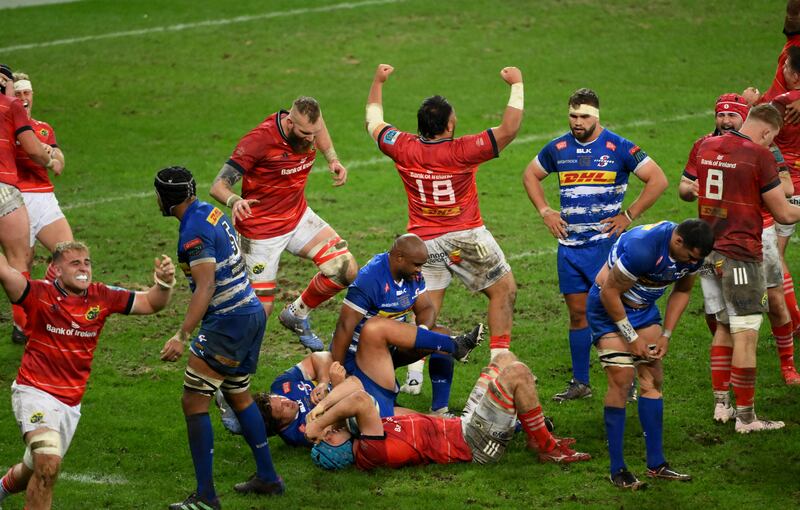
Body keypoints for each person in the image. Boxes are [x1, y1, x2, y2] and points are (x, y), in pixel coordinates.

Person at [365, 63, 522, 368]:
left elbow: (373, 121)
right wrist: (517, 84)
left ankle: (412, 376)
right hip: (465, 237)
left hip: (423, 244)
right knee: (503, 289)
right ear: (449, 126)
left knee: (427, 312)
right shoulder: (463, 150)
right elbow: (510, 128)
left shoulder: (402, 146)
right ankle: (500, 362)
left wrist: (378, 81)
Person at [0, 241, 175, 509]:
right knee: (48, 463)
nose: (83, 269)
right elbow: (6, 273)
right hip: (35, 392)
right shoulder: (38, 294)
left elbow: (152, 303)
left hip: (70, 404)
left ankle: (1, 489)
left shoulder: (102, 296)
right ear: (56, 270)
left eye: (87, 262)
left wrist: (164, 283)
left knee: (35, 467)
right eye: (75, 263)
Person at [523, 88, 668, 402]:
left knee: (618, 310)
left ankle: (627, 378)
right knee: (577, 314)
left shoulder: (618, 147)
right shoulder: (558, 147)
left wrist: (629, 215)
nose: (577, 122)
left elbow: (658, 179)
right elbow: (530, 175)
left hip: (606, 247)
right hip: (570, 247)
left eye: (584, 116)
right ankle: (581, 383)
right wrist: (546, 211)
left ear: (597, 116)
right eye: (573, 115)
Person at [155, 166, 283, 510]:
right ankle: (268, 478)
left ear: (165, 199)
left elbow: (207, 285)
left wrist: (182, 335)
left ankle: (206, 497)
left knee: (194, 402)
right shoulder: (209, 212)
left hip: (228, 322)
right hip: (250, 311)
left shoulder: (192, 232)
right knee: (238, 394)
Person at [209, 96, 357, 351]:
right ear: (290, 122)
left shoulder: (310, 130)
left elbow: (318, 130)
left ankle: (296, 314)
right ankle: (229, 373)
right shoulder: (259, 140)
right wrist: (234, 201)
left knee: (345, 269)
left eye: (314, 133)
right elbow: (218, 186)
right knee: (258, 313)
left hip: (297, 217)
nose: (311, 139)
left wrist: (332, 158)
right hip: (261, 232)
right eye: (304, 133)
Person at [679, 93, 800, 387]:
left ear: (744, 119)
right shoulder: (706, 145)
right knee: (723, 317)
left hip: (759, 232)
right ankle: (738, 393)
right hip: (728, 240)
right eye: (721, 114)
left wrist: (749, 185)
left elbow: (784, 186)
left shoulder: (766, 150)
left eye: (732, 115)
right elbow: (684, 186)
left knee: (774, 301)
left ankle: (786, 366)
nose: (725, 120)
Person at [304, 351, 591, 470]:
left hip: (462, 425)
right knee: (517, 374)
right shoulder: (371, 451)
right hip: (476, 443)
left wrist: (321, 406)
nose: (333, 429)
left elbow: (355, 388)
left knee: (504, 358)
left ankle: (532, 437)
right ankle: (545, 446)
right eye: (330, 434)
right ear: (332, 444)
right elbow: (360, 401)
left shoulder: (363, 436)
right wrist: (321, 422)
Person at [587, 219, 713, 490]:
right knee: (621, 379)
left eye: (696, 260)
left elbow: (683, 290)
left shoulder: (693, 256)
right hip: (607, 308)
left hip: (643, 310)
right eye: (690, 257)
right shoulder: (643, 248)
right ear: (678, 241)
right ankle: (617, 469)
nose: (691, 263)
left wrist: (666, 334)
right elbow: (609, 292)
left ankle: (656, 464)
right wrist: (630, 338)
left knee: (653, 379)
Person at [330, 233, 456, 414]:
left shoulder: (412, 274)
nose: (420, 270)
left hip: (391, 349)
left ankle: (440, 410)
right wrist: (338, 372)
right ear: (399, 258)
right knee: (380, 410)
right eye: (417, 265)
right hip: (361, 354)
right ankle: (430, 423)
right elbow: (344, 327)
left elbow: (426, 309)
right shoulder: (370, 279)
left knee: (440, 335)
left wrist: (421, 333)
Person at [0, 63, 62, 346]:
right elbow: (34, 150)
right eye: (17, 90)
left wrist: (55, 156)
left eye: (28, 92)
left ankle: (43, 306)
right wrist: (46, 157)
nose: (23, 96)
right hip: (12, 193)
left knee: (65, 252)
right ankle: (24, 324)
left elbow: (57, 157)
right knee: (18, 260)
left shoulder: (44, 127)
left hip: (42, 197)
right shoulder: (9, 112)